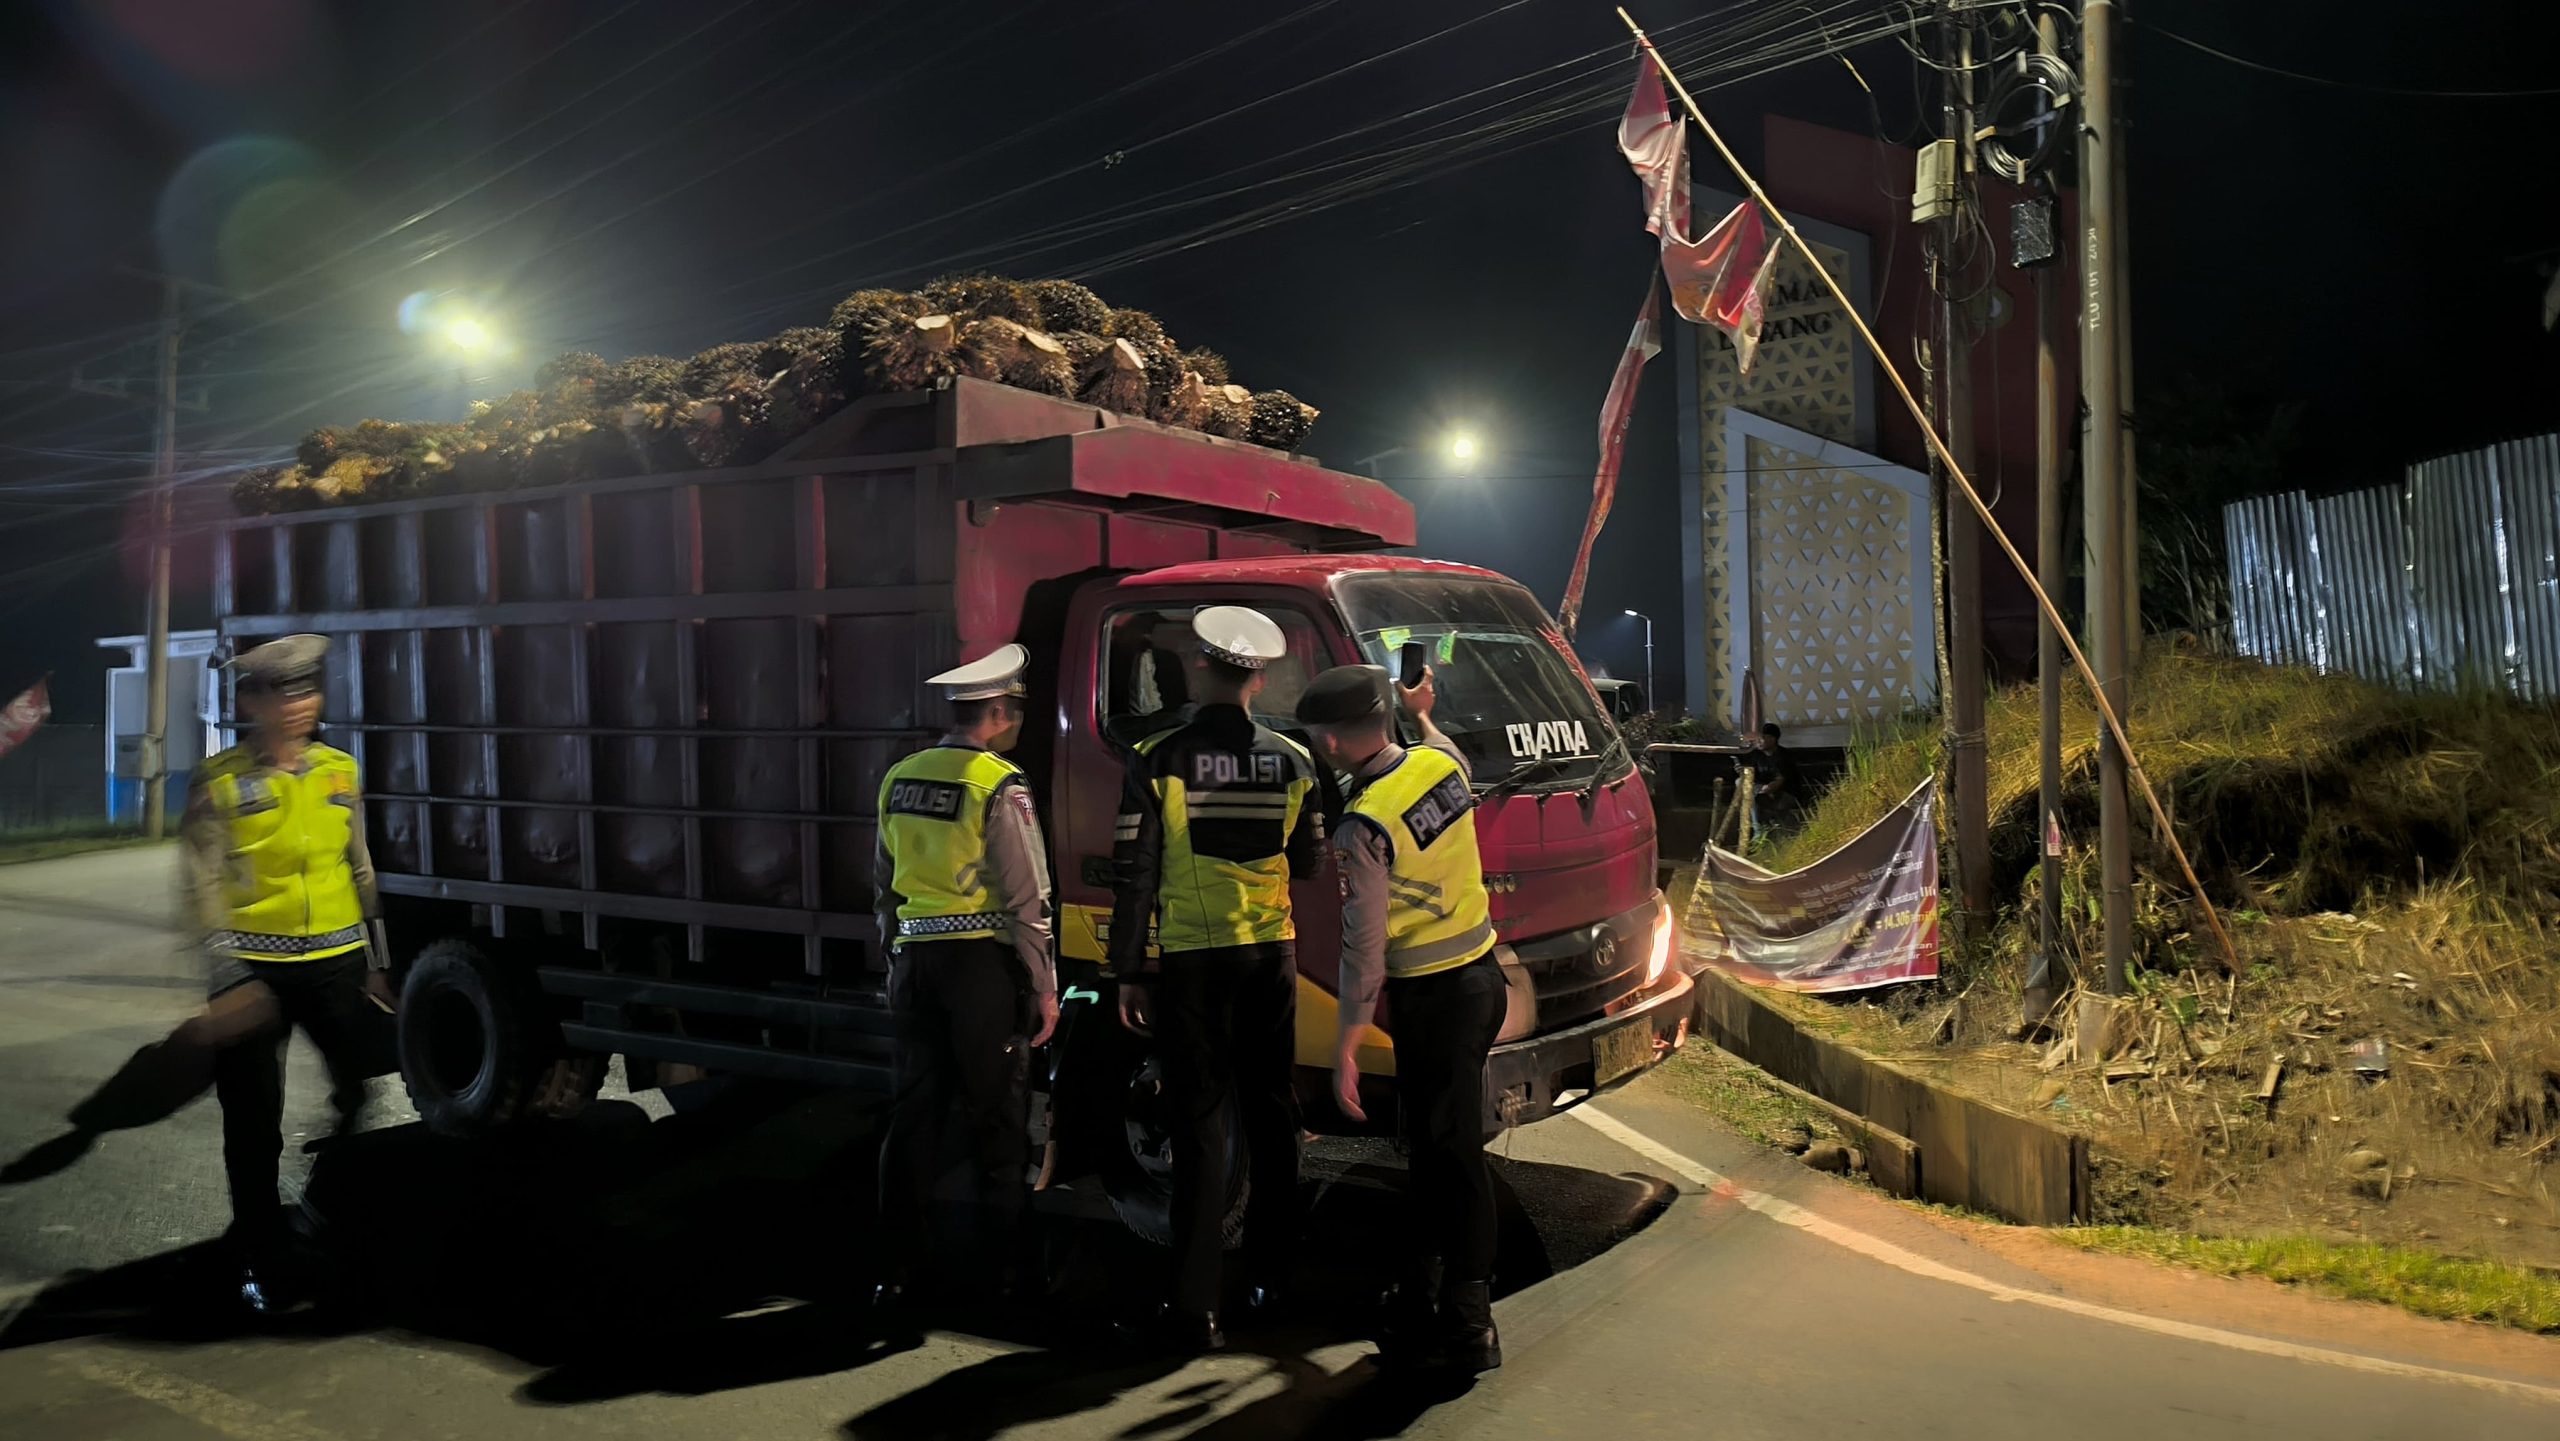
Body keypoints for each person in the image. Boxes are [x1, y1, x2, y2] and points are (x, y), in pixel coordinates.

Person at [1110, 606, 1324, 1352]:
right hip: (1273, 959)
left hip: (1195, 968)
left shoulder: (1159, 756)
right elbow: (1310, 863)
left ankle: (1195, 1307)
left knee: (1200, 1130)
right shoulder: (1295, 761)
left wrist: (1130, 970)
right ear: (1259, 678)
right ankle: (1272, 1280)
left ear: (1202, 668)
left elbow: (1135, 875)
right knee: (1272, 1121)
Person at [1297, 662, 1504, 1374]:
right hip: (1482, 977)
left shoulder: (1364, 823)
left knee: (1453, 1156)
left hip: (1436, 1000)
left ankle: (1471, 1321)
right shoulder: (1438, 762)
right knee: (1437, 1148)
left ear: (1327, 742)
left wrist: (1349, 1038)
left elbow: (1364, 941)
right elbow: (1451, 749)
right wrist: (1424, 713)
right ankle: (1421, 1295)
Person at [180, 634, 396, 1311]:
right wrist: (224, 978)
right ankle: (260, 1252)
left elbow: (361, 869)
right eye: (284, 691)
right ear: (251, 700)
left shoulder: (340, 770)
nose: (300, 703)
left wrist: (380, 965)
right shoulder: (219, 781)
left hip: (334, 965)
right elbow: (201, 883)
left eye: (309, 688)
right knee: (252, 1125)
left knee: (360, 1093)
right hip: (254, 972)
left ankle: (318, 1212)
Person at [872, 642, 1058, 1317]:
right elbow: (1026, 897)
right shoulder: (997, 783)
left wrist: (895, 958)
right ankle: (1007, 1278)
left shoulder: (900, 776)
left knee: (914, 1120)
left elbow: (883, 886)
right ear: (1000, 711)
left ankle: (897, 1274)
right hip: (980, 966)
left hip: (916, 964)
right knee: (998, 1122)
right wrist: (1043, 985)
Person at [1748, 721, 1806, 829]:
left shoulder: (1784, 756)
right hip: (1764, 792)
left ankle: (1792, 828)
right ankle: (1760, 830)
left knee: (1774, 806)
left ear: (1772, 739)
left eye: (1762, 738)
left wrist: (1767, 789)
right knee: (1753, 797)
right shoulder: (1756, 755)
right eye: (1757, 739)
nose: (1758, 742)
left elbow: (1780, 780)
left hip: (1787, 793)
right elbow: (1751, 776)